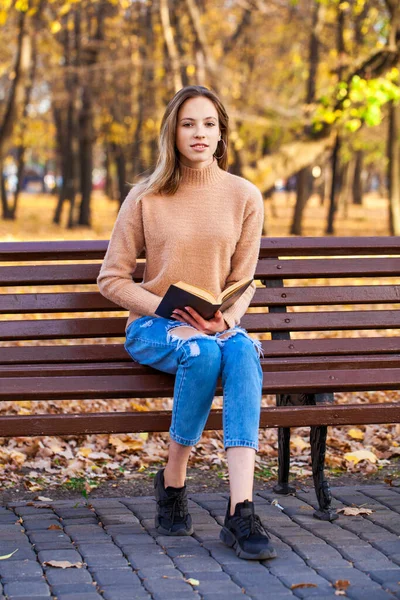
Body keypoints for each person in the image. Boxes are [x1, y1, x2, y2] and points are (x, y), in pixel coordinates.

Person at [97, 85, 276, 561]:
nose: (200, 133)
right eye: (189, 124)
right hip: (156, 327)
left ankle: (241, 509)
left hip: (215, 326)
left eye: (209, 124)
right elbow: (110, 278)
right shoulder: (146, 196)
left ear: (221, 134)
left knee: (239, 349)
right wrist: (166, 312)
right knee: (201, 350)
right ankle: (173, 481)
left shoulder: (244, 195)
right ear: (172, 133)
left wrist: (227, 320)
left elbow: (245, 279)